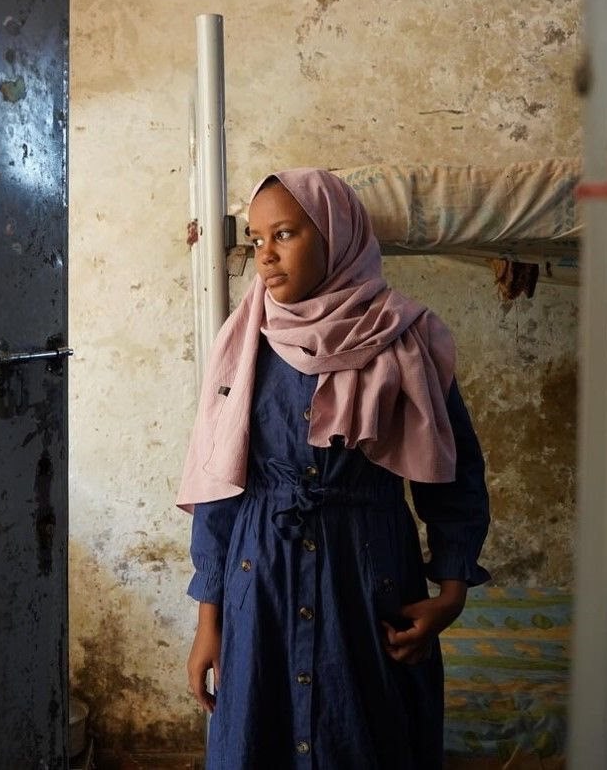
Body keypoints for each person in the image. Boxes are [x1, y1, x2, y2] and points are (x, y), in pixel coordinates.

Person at [177, 168, 490, 769]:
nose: (265, 255)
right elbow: (218, 486)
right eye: (256, 238)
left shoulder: (406, 338)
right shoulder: (243, 342)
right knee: (258, 737)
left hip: (368, 576)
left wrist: (451, 595)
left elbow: (456, 476)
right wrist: (208, 621)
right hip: (260, 582)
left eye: (285, 234)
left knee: (369, 737)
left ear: (335, 235)